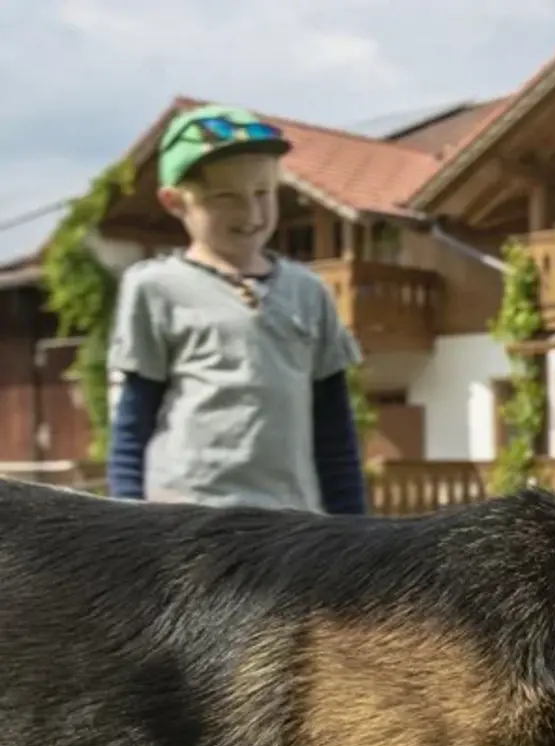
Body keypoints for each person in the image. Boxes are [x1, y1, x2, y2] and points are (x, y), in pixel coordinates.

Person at [105, 104, 368, 516]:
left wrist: (357, 536)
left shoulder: (309, 292)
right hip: (184, 525)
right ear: (175, 202)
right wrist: (122, 525)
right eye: (225, 197)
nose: (251, 213)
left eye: (263, 193)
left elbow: (334, 432)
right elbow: (133, 423)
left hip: (291, 525)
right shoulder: (155, 288)